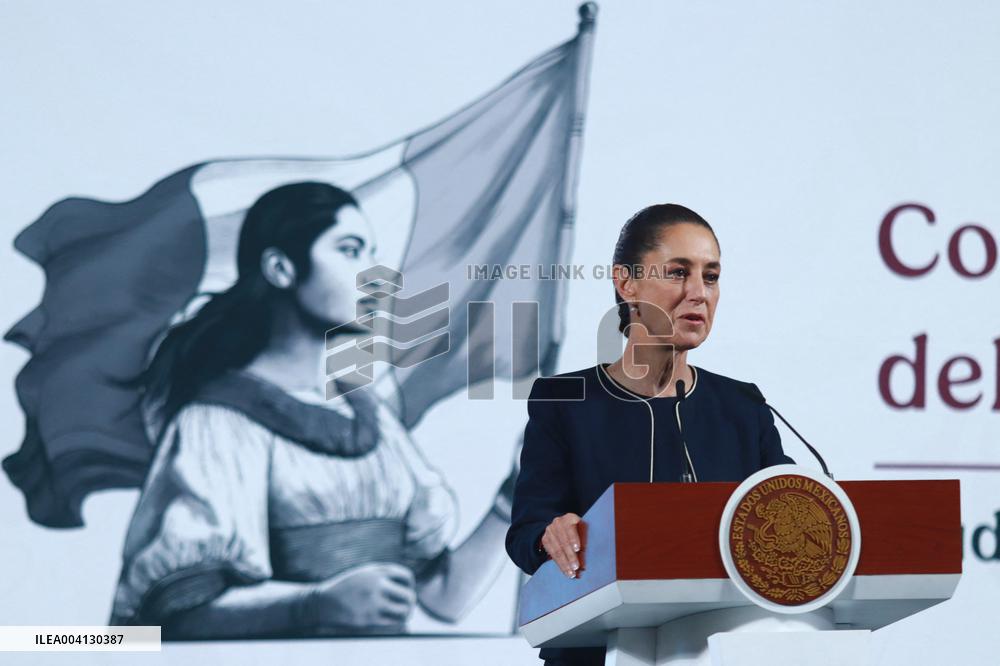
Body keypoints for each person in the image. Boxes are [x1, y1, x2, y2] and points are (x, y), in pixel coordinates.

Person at [110, 181, 515, 638]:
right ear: (281, 268)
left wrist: (514, 497)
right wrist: (312, 605)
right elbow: (175, 616)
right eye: (349, 250)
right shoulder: (218, 423)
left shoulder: (371, 418)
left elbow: (444, 597)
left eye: (371, 251)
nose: (374, 272)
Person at [505, 204, 794, 665]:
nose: (699, 293)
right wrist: (550, 534)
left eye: (712, 276)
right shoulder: (564, 401)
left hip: (723, 650)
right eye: (679, 272)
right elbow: (525, 533)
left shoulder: (743, 408)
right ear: (627, 283)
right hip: (594, 653)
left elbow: (791, 513)